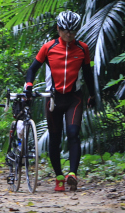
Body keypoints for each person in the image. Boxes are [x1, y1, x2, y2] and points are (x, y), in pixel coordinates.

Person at [24, 11, 96, 192]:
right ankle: (58, 177)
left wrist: (92, 95)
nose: (68, 34)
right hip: (53, 99)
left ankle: (72, 174)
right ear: (58, 28)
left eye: (72, 31)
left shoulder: (82, 48)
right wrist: (29, 85)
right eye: (64, 30)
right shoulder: (48, 47)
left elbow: (88, 73)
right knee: (54, 139)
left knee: (73, 133)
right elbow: (32, 69)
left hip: (74, 98)